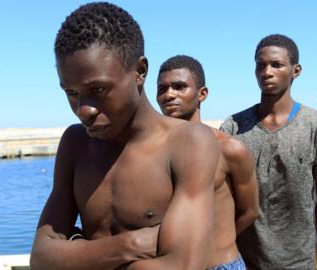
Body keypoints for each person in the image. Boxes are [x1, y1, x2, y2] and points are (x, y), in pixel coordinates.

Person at [30, 3, 221, 270]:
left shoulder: (188, 142)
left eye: (98, 89)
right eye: (71, 93)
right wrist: (135, 243)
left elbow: (183, 265)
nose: (83, 110)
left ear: (140, 71)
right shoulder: (76, 143)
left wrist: (77, 253)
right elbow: (41, 257)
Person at [221, 34, 317, 270]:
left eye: (276, 65)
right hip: (244, 260)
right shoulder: (233, 127)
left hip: (298, 262)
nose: (267, 71)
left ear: (296, 70)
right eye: (261, 65)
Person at [156, 55, 259, 269]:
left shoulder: (229, 149)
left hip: (220, 263)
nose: (169, 95)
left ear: (202, 94)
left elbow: (249, 210)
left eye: (179, 87)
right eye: (162, 89)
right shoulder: (153, 151)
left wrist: (215, 240)